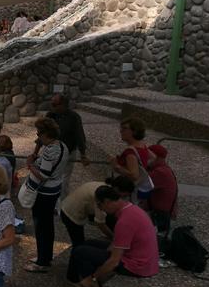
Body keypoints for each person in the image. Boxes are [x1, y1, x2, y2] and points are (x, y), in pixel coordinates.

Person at [67, 186, 159, 287]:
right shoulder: (130, 208)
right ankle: (87, 286)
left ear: (107, 202)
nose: (99, 209)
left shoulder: (124, 222)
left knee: (80, 252)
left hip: (137, 266)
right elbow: (117, 243)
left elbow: (114, 262)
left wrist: (93, 277)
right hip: (143, 258)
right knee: (88, 244)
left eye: (100, 205)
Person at [23, 118, 69, 273]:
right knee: (47, 226)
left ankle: (42, 262)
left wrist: (30, 164)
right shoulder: (61, 146)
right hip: (54, 190)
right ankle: (45, 255)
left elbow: (43, 175)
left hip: (44, 193)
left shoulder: (51, 150)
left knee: (42, 226)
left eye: (39, 132)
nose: (37, 136)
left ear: (45, 133)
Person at [61, 176, 134, 246]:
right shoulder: (103, 196)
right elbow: (100, 223)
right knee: (78, 244)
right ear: (117, 189)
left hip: (71, 205)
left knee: (110, 217)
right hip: (70, 214)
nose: (123, 198)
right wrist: (114, 239)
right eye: (123, 195)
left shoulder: (106, 187)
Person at [44, 94, 89, 197]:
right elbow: (42, 134)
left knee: (64, 179)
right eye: (51, 104)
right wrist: (35, 152)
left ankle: (62, 204)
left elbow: (79, 135)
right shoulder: (50, 115)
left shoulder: (74, 117)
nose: (52, 107)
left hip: (68, 152)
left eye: (55, 104)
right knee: (49, 176)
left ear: (63, 105)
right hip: (52, 152)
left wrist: (83, 154)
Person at [110, 117, 153, 205]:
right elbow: (153, 158)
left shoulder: (130, 152)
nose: (121, 131)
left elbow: (134, 175)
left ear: (135, 131)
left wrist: (116, 166)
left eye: (125, 128)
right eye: (121, 128)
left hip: (129, 194)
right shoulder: (143, 146)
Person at [146, 144, 177, 232]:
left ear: (156, 157)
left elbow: (140, 186)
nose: (146, 159)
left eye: (148, 157)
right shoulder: (165, 169)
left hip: (158, 215)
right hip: (161, 213)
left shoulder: (159, 172)